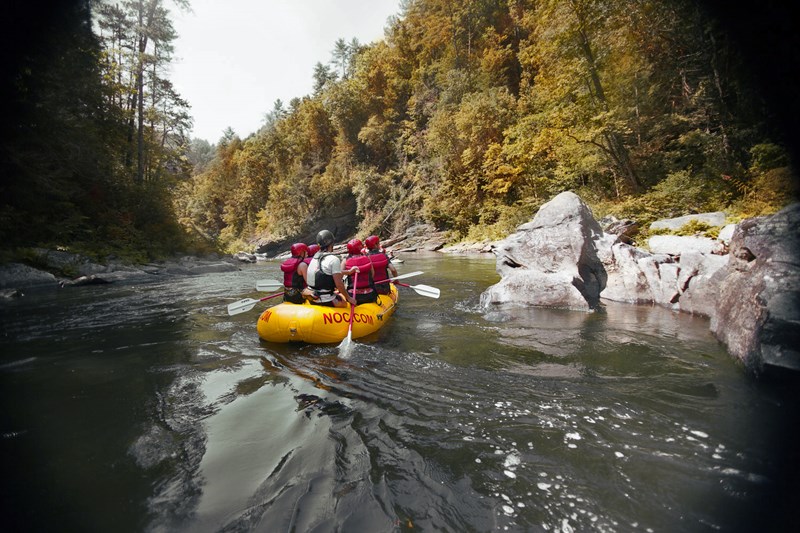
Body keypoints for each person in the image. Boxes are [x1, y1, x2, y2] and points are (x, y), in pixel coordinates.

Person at [304, 229, 359, 308]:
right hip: (326, 300)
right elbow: (339, 284)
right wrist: (349, 298)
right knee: (344, 303)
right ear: (331, 243)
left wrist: (349, 271)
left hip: (312, 298)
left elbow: (328, 271)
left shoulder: (315, 258)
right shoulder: (333, 259)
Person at [343, 238, 377, 305]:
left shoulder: (345, 261)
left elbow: (339, 276)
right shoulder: (367, 258)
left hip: (353, 296)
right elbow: (373, 274)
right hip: (369, 295)